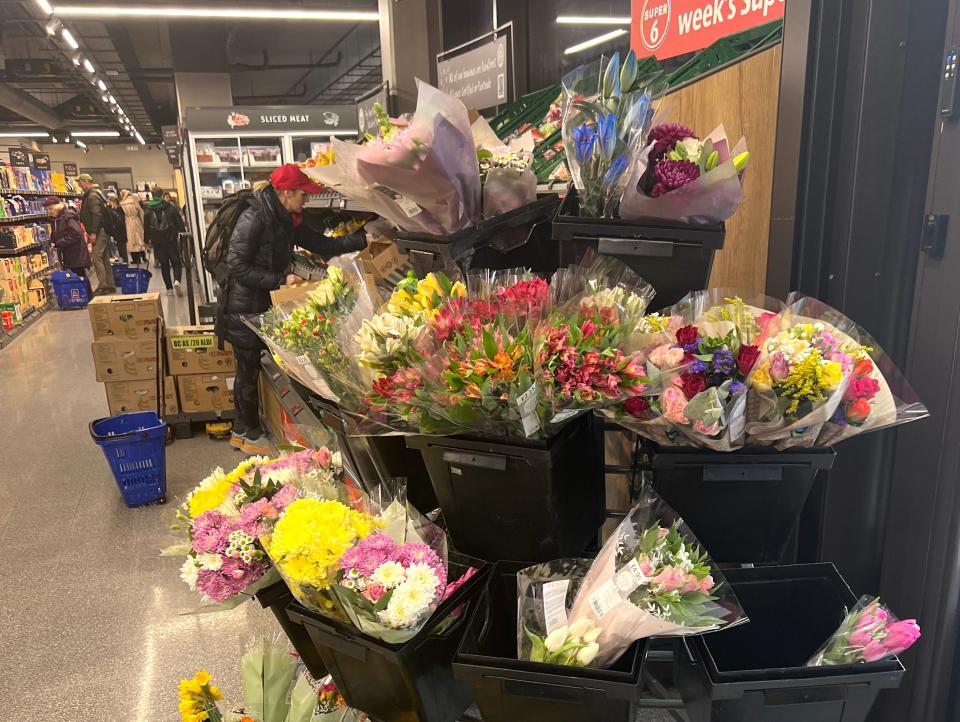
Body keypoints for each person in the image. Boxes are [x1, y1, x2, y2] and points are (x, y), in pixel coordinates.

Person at [221, 164, 366, 455]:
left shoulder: (285, 218)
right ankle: (250, 434)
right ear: (286, 193)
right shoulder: (255, 218)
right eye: (303, 194)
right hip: (243, 305)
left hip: (260, 301)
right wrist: (280, 279)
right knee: (247, 369)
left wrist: (362, 239)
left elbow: (321, 244)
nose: (306, 199)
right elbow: (236, 265)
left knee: (248, 369)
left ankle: (240, 430)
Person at [43, 196, 92, 297]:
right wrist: (53, 241)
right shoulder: (56, 218)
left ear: (58, 206)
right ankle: (81, 297)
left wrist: (59, 242)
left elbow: (76, 234)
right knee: (75, 276)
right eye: (48, 209)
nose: (49, 212)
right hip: (68, 252)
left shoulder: (68, 216)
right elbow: (56, 233)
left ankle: (87, 297)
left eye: (51, 209)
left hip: (76, 252)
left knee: (79, 275)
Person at [77, 173, 116, 295]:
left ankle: (103, 285)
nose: (79, 184)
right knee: (104, 258)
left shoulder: (92, 196)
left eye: (80, 182)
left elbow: (96, 214)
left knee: (96, 257)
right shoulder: (93, 194)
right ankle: (110, 284)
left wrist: (93, 232)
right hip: (100, 230)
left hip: (99, 231)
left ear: (86, 182)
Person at [144, 187, 185, 296]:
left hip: (157, 242)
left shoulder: (148, 210)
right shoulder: (170, 208)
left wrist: (146, 242)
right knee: (176, 262)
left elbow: (146, 228)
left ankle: (169, 289)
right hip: (171, 240)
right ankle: (177, 281)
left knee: (164, 265)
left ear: (152, 195)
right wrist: (183, 234)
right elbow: (179, 223)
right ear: (162, 195)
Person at [120, 189, 147, 268]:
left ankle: (135, 259)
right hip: (136, 221)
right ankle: (143, 257)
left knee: (131, 241)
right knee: (140, 239)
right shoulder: (134, 199)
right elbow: (140, 211)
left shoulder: (122, 203)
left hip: (128, 222)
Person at [107, 194, 128, 262]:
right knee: (120, 250)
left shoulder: (119, 209)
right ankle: (123, 262)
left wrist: (112, 211)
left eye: (110, 202)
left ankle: (125, 263)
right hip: (118, 233)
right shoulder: (115, 210)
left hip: (121, 233)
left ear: (114, 202)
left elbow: (120, 221)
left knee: (122, 250)